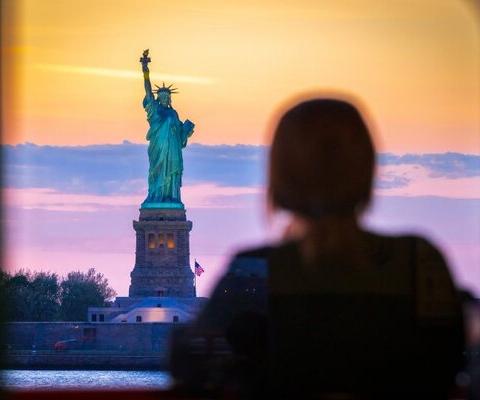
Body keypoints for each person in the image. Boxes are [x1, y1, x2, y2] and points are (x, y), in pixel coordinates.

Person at [169, 98, 465, 399]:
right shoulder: (418, 260)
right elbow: (447, 358)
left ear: (279, 176)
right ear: (367, 169)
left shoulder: (253, 269)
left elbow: (193, 364)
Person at [140, 49, 195, 206]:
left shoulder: (173, 113)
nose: (164, 99)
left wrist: (186, 130)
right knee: (157, 172)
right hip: (158, 149)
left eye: (167, 97)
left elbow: (180, 135)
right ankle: (156, 196)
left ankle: (171, 197)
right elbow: (148, 91)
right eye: (162, 97)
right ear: (158, 98)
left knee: (172, 173)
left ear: (170, 99)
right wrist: (145, 71)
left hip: (173, 150)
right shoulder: (155, 110)